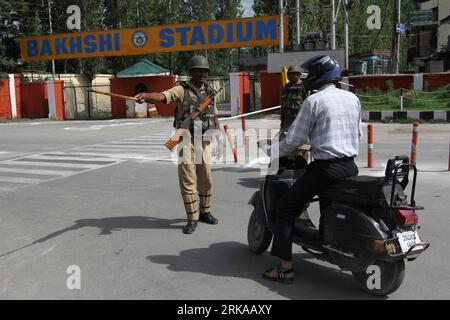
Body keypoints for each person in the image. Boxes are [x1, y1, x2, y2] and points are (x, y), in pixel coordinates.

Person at [262, 55, 362, 284]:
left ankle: (285, 269)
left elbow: (293, 139)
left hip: (325, 169)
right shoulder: (352, 98)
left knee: (286, 208)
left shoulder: (314, 101)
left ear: (318, 76)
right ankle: (330, 246)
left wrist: (272, 150)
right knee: (330, 208)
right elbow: (358, 135)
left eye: (309, 75)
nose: (306, 79)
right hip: (350, 167)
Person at [135, 55, 222, 234]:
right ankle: (192, 218)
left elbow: (214, 117)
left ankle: (205, 212)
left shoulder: (210, 93)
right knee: (188, 179)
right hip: (185, 140)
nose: (203, 74)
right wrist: (147, 95)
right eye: (199, 70)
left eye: (205, 71)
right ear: (191, 72)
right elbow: (162, 96)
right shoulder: (181, 90)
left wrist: (219, 138)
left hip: (204, 141)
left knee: (206, 178)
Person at [280, 65, 307, 134]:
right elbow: (283, 102)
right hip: (286, 118)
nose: (291, 76)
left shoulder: (303, 86)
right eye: (289, 74)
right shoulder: (287, 86)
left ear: (298, 75)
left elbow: (307, 102)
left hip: (298, 118)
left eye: (293, 74)